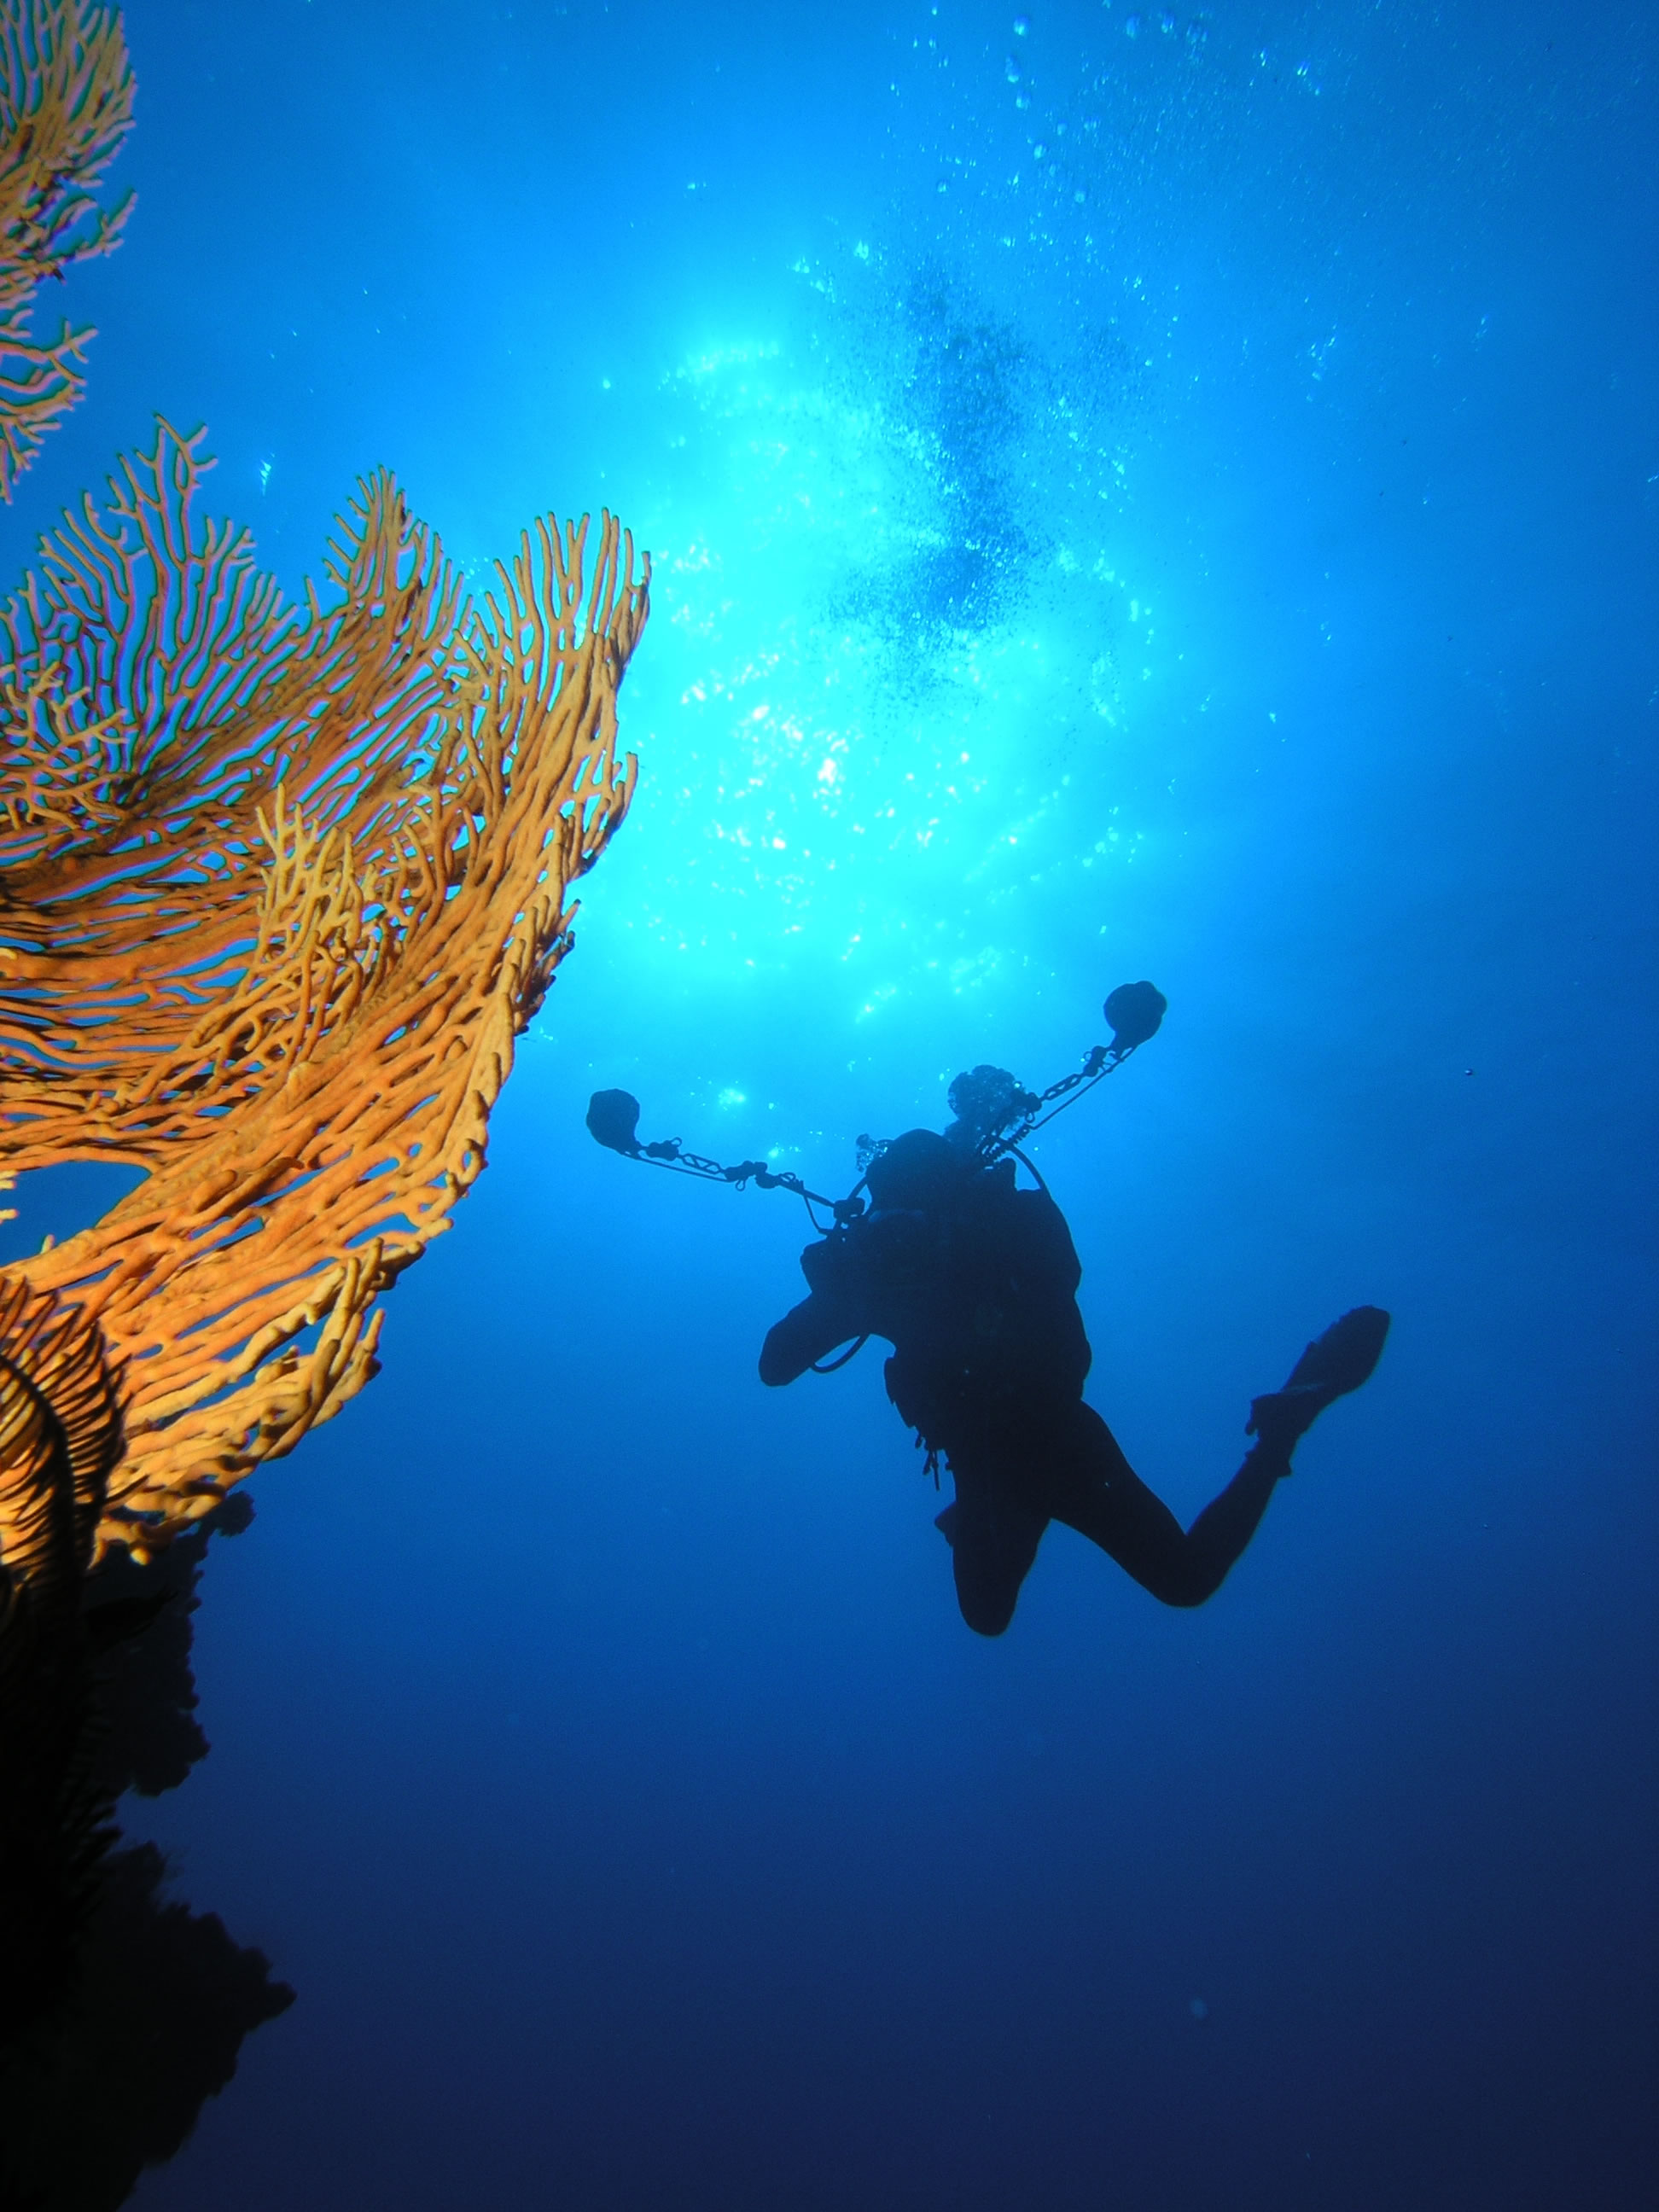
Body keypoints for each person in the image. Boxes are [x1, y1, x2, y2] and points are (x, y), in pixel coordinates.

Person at [760, 1069, 1390, 1636]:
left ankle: (1281, 1432)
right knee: (1004, 1615)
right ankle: (1280, 1431)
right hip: (1029, 1450)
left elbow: (775, 1366)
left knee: (1170, 1585)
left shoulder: (934, 1257)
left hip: (1032, 1449)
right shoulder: (891, 1272)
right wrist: (845, 1292)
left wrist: (851, 1294)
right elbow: (776, 1365)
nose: (899, 1230)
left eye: (905, 1213)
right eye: (889, 1216)